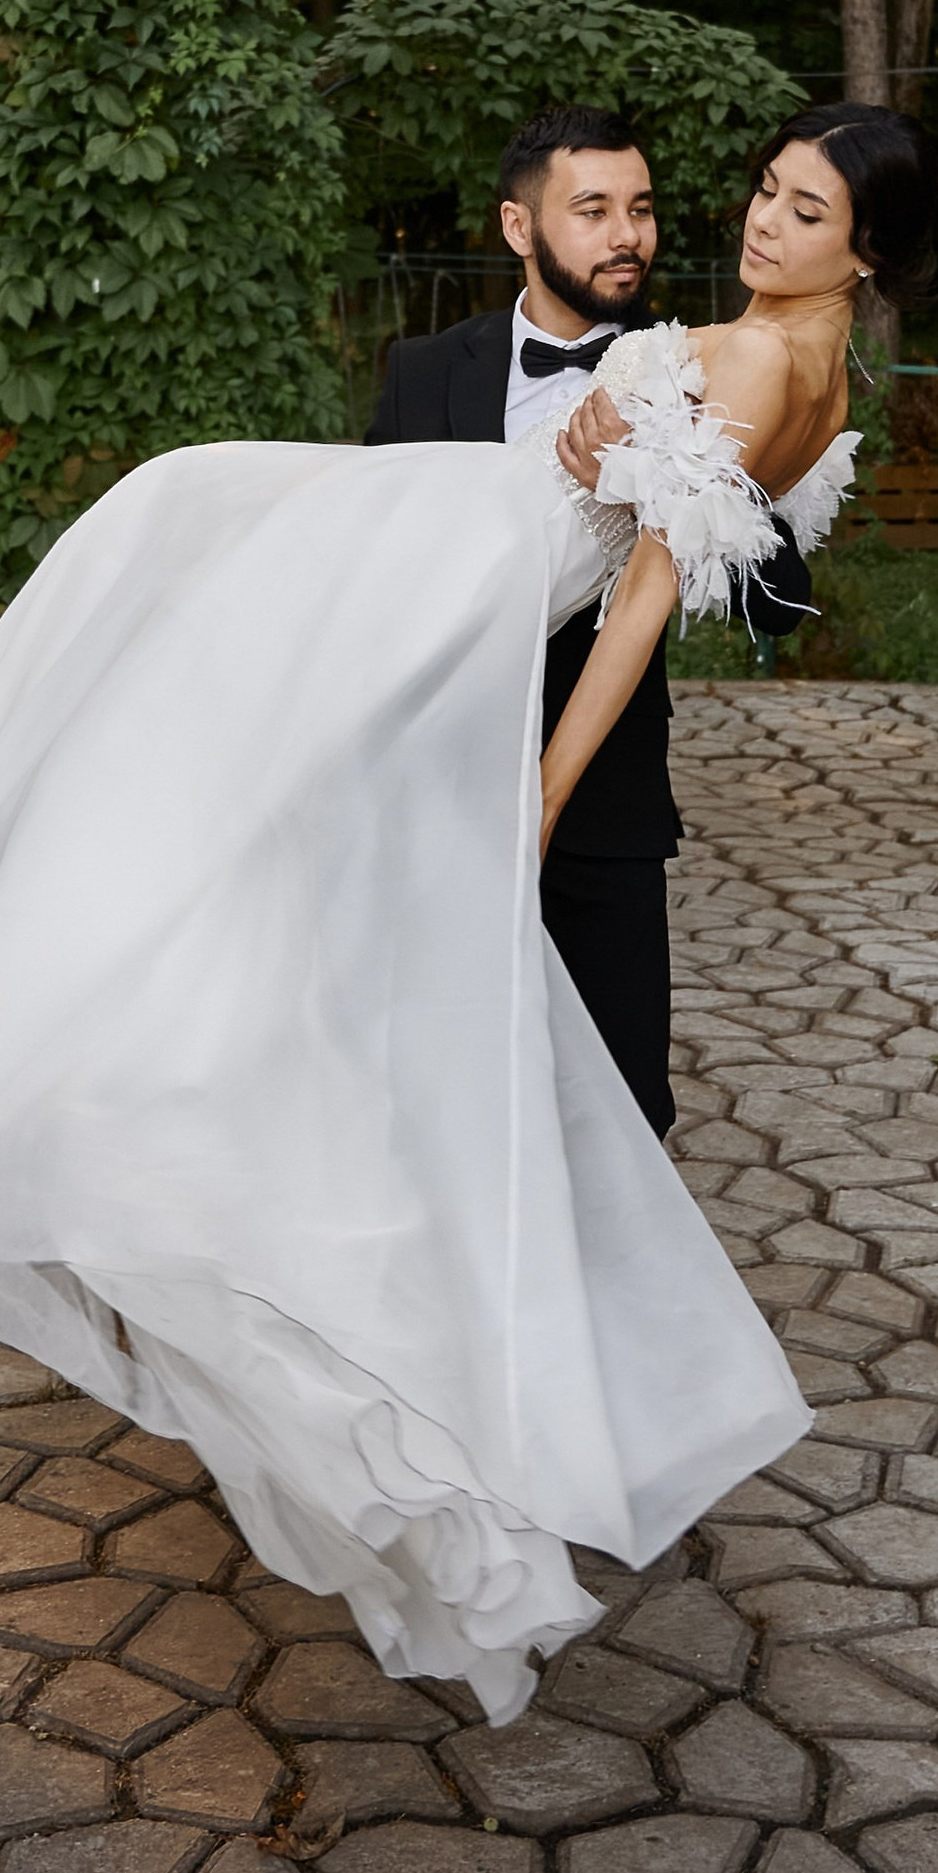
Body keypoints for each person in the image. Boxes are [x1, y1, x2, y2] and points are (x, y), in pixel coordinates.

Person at [0, 99, 932, 1722]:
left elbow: (644, 608)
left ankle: (111, 999)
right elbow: (686, 517)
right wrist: (623, 443)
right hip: (471, 535)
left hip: (491, 581)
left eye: (807, 210)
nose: (762, 224)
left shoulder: (768, 363)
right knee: (192, 531)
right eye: (765, 192)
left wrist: (536, 798)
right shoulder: (808, 366)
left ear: (869, 246)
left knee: (185, 536)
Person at [365, 103, 820, 1135]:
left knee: (621, 1108)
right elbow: (370, 569)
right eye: (594, 208)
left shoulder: (710, 373)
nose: (628, 234)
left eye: (642, 208)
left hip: (602, 803)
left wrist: (675, 471)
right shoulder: (426, 371)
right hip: (430, 788)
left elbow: (780, 601)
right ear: (519, 228)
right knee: (429, 1097)